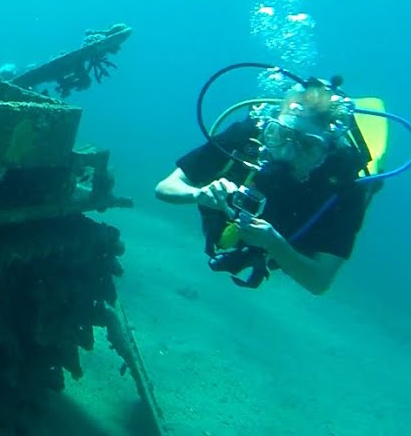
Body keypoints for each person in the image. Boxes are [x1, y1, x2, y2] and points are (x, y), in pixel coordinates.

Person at [155, 80, 373, 295]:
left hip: (289, 246)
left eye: (307, 145)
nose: (287, 153)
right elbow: (165, 187)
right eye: (279, 134)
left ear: (327, 150)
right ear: (269, 125)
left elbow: (319, 283)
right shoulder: (246, 137)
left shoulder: (344, 186)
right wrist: (197, 194)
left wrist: (276, 246)